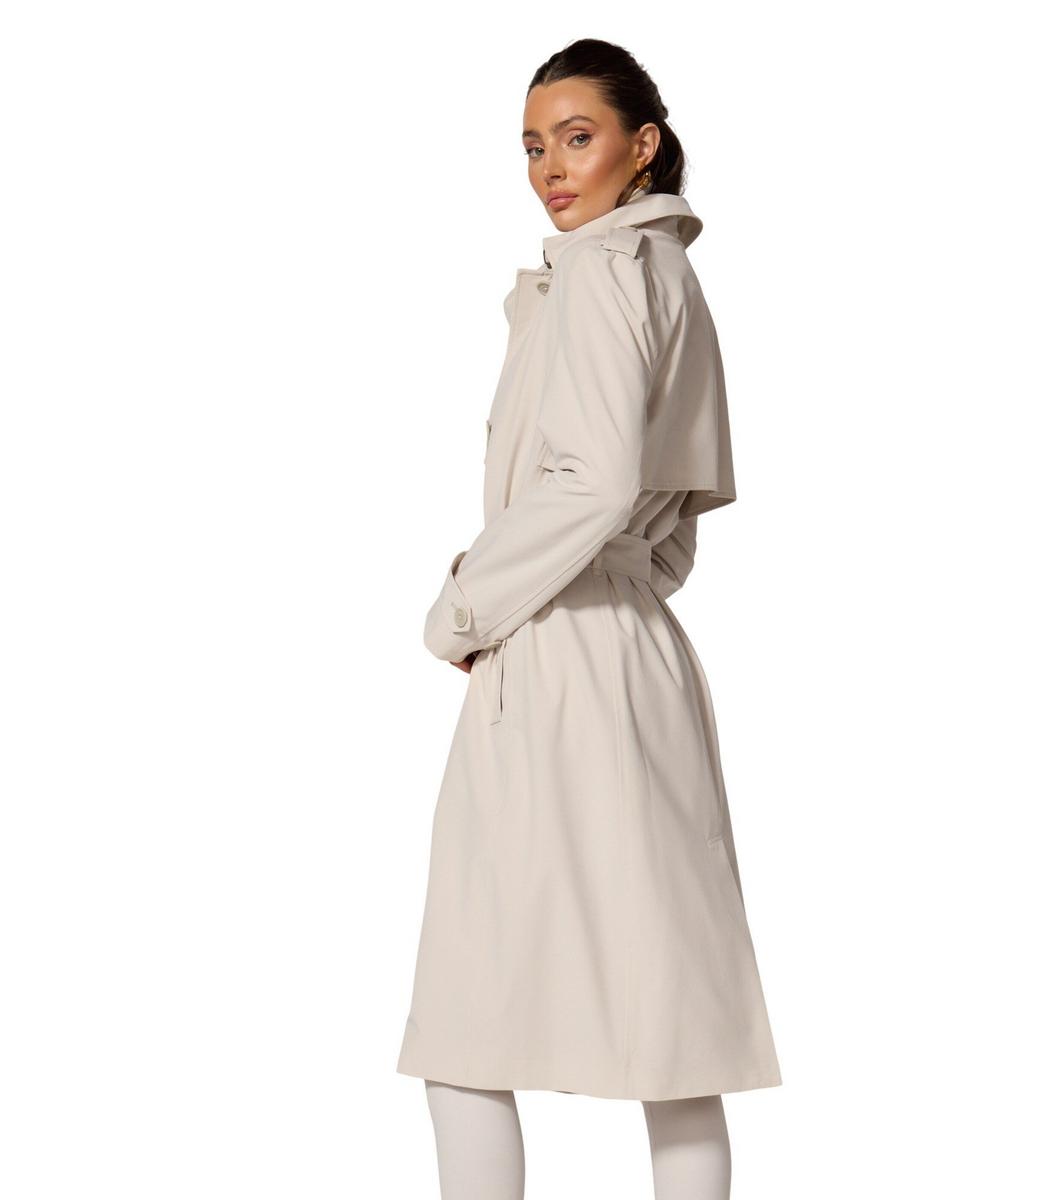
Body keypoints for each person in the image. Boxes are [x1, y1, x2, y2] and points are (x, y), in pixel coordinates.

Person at [396, 38, 782, 1200]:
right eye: (532, 147)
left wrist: (468, 603)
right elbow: (669, 529)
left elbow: (599, 484)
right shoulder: (665, 274)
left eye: (577, 137)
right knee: (673, 1023)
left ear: (641, 144)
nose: (551, 169)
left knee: (469, 1018)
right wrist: (595, 582)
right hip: (636, 654)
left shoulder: (607, 271)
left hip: (558, 654)